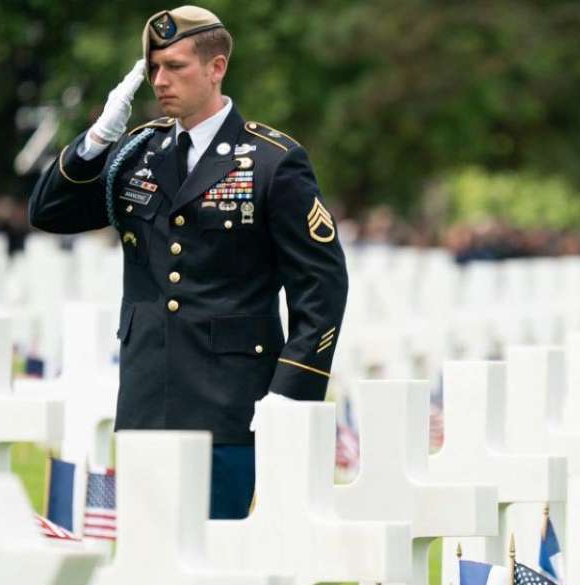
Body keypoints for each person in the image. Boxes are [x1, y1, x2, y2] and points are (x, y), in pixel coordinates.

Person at [28, 6, 348, 519]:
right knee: (148, 579)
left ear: (216, 67)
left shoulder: (271, 160)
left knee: (224, 575)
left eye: (175, 66)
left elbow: (322, 286)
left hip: (232, 410)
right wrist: (96, 140)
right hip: (146, 405)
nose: (160, 80)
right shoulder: (138, 151)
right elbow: (49, 212)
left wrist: (293, 392)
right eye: (153, 68)